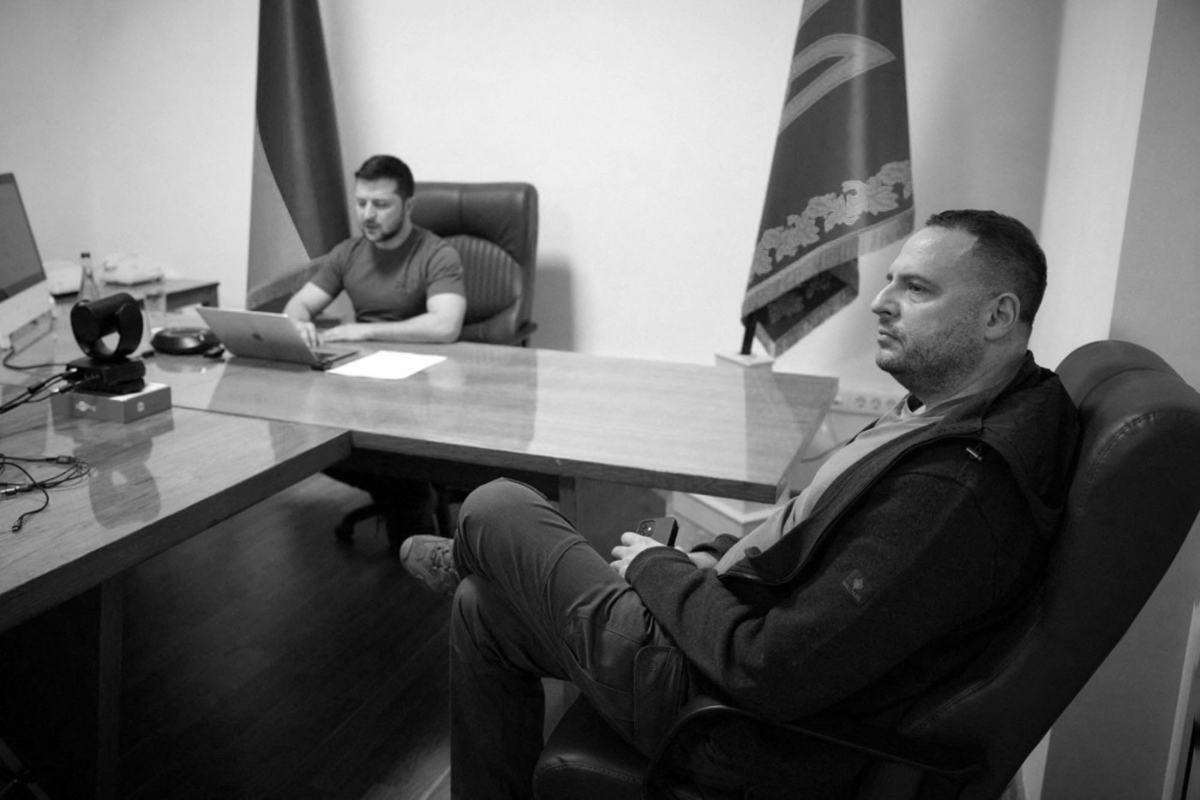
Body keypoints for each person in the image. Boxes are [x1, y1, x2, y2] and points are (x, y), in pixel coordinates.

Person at [400, 209, 1080, 798]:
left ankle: (471, 554)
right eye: (891, 278)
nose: (881, 301)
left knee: (494, 506)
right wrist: (712, 560)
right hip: (728, 645)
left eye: (917, 288)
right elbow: (813, 550)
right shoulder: (956, 411)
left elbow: (770, 669)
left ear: (998, 317)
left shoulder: (953, 490)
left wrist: (661, 570)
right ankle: (477, 572)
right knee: (483, 610)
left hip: (733, 723)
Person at [286, 154, 467, 549]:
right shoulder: (347, 253)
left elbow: (445, 324)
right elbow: (297, 306)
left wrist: (360, 331)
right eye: (361, 202)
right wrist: (299, 323)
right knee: (302, 433)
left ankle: (420, 549)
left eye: (381, 204)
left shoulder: (436, 254)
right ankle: (408, 503)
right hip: (363, 388)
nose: (367, 214)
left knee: (398, 479)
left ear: (408, 206)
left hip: (423, 396)